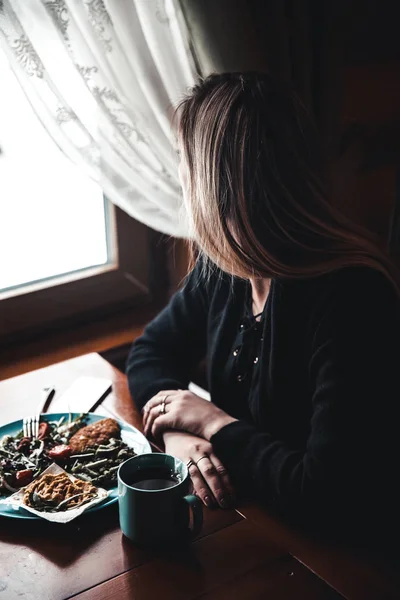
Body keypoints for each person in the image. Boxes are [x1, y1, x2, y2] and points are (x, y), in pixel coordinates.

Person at [127, 72, 400, 540]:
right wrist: (179, 434)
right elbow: (150, 351)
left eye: (182, 162)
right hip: (256, 518)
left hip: (341, 553)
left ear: (217, 184)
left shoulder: (353, 299)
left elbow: (326, 493)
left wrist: (212, 420)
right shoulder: (226, 269)